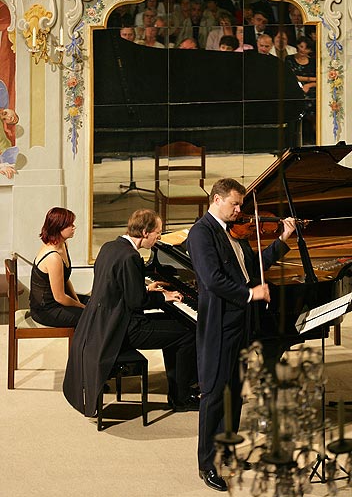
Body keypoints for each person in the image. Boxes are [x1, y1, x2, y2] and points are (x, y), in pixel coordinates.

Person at [187, 178, 296, 492]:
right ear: (217, 199)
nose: (239, 211)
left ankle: (227, 452)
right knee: (213, 396)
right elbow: (212, 280)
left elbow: (253, 269)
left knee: (234, 393)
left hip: (241, 326)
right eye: (235, 204)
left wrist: (283, 240)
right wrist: (251, 294)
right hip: (219, 327)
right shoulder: (202, 232)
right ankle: (206, 464)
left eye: (241, 205)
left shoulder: (236, 233)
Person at [63, 209, 199, 418]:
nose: (159, 238)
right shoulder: (131, 257)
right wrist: (165, 296)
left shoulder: (110, 247)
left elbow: (120, 289)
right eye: (158, 233)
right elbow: (137, 303)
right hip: (123, 329)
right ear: (145, 232)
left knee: (176, 323)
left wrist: (146, 289)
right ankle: (181, 398)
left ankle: (179, 389)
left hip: (104, 322)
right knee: (187, 332)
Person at [29, 207, 86, 328]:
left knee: (97, 304)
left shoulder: (63, 244)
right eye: (70, 225)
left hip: (59, 301)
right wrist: (81, 307)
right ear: (58, 227)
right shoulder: (53, 257)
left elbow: (65, 279)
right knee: (94, 317)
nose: (74, 227)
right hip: (46, 310)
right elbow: (60, 297)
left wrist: (77, 300)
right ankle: (87, 347)